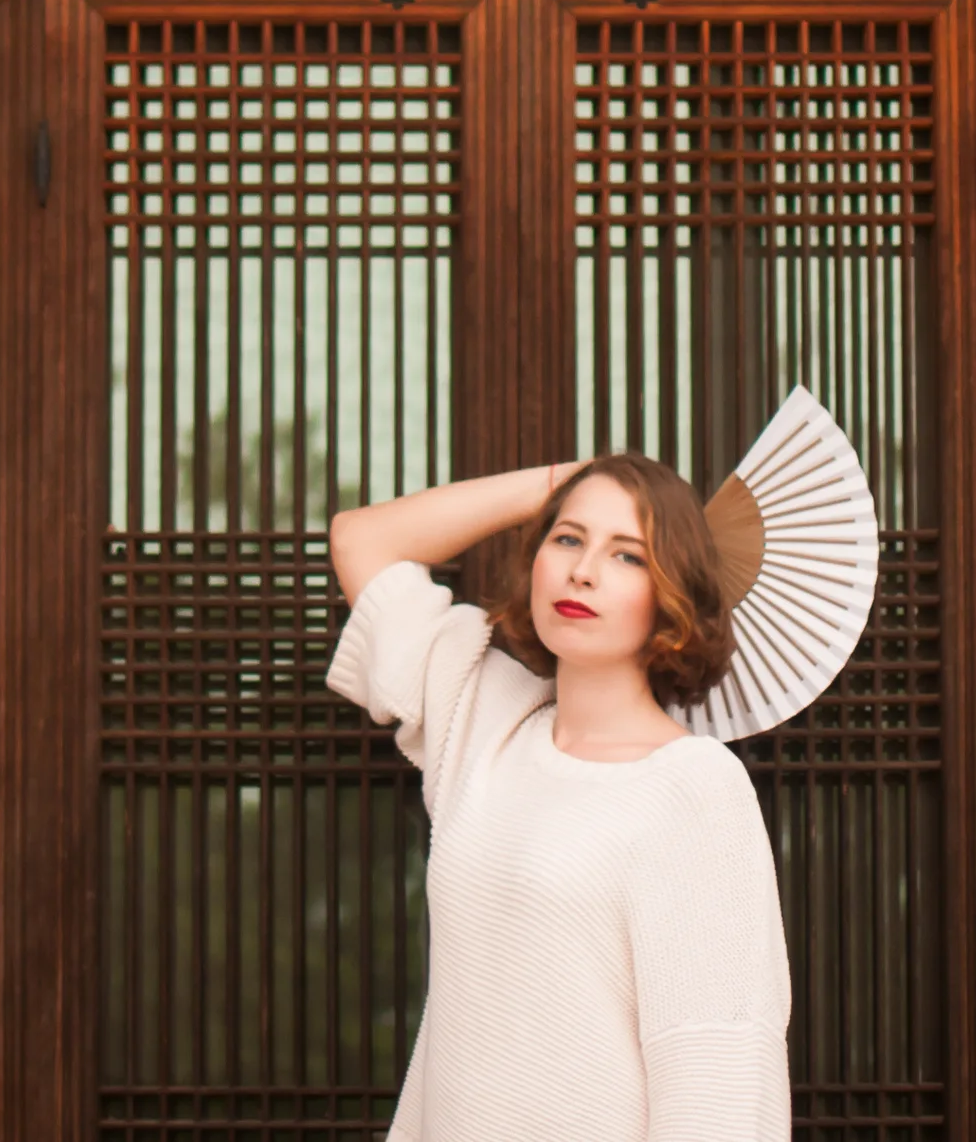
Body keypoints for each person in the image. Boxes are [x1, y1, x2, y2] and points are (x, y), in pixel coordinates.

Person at [325, 450, 793, 1142]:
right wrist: (559, 483)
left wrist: (577, 503)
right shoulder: (487, 721)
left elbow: (719, 1068)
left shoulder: (694, 788)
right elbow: (363, 540)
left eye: (628, 555)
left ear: (672, 597)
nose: (583, 571)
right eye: (568, 538)